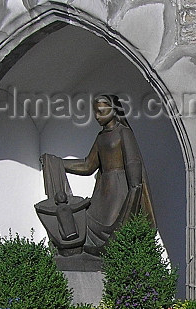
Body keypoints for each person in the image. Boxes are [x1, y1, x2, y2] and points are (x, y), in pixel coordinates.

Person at [38, 95, 155, 255]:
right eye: (95, 113)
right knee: (88, 221)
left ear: (114, 110)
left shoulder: (124, 132)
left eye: (101, 111)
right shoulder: (101, 137)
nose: (97, 116)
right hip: (103, 192)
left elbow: (133, 162)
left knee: (114, 225)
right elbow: (88, 165)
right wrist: (57, 162)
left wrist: (134, 192)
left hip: (120, 190)